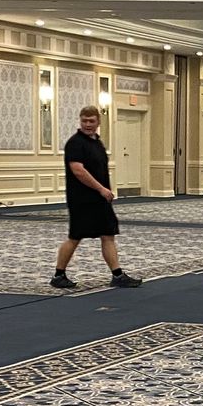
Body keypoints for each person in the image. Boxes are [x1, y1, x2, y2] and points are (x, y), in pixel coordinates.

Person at [51, 104, 141, 290]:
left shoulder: (97, 143)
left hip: (100, 199)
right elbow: (78, 170)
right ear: (80, 121)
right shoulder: (75, 143)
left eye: (91, 121)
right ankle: (59, 275)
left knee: (108, 235)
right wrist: (101, 189)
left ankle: (117, 275)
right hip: (82, 200)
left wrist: (103, 191)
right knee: (75, 237)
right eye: (84, 120)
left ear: (98, 122)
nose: (88, 124)